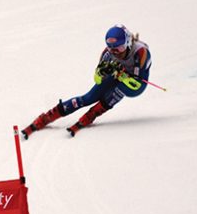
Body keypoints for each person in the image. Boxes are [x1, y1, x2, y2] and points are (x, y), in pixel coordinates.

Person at [21, 25, 152, 138]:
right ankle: (49, 116)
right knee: (88, 97)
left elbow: (137, 84)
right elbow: (97, 80)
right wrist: (102, 72)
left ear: (128, 43)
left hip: (136, 86)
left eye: (119, 48)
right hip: (119, 75)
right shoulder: (107, 53)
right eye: (111, 48)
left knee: (120, 89)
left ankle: (93, 113)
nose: (115, 53)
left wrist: (122, 76)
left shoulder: (141, 52)